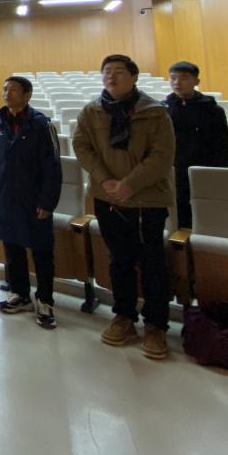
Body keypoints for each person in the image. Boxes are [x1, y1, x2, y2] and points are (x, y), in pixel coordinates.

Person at [72, 55, 176, 360]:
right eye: (107, 72)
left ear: (134, 77)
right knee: (119, 260)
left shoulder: (155, 112)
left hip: (146, 199)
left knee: (152, 262)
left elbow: (162, 156)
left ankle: (155, 325)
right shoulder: (91, 111)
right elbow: (82, 147)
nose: (111, 77)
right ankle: (124, 316)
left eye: (118, 72)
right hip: (107, 198)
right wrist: (106, 181)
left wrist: (130, 184)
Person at [0, 76, 63, 329]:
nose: (7, 93)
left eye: (14, 90)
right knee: (12, 248)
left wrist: (47, 201)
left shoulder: (41, 125)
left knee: (41, 251)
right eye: (5, 89)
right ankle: (19, 293)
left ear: (27, 95)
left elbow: (53, 166)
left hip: (34, 199)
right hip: (6, 197)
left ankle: (45, 300)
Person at [162, 60, 228, 229]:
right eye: (173, 78)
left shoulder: (212, 110)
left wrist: (218, 173)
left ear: (196, 81)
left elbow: (221, 146)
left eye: (184, 78)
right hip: (174, 168)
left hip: (203, 166)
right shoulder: (163, 109)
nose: (177, 82)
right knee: (177, 212)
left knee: (204, 212)